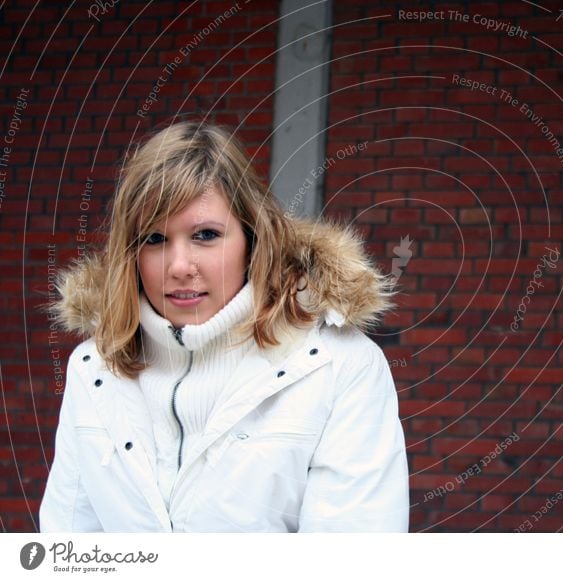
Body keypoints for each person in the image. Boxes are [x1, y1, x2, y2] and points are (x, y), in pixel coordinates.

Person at [39, 120, 409, 532]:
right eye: (155, 239)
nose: (179, 267)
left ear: (253, 239)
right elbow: (68, 544)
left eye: (206, 235)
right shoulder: (94, 368)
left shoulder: (338, 366)